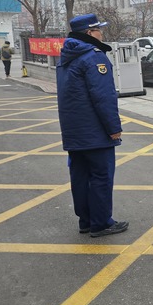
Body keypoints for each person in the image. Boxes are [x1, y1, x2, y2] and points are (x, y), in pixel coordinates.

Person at [56, 13, 128, 237]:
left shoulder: (66, 57)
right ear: (89, 33)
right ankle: (101, 223)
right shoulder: (93, 57)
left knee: (80, 177)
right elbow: (103, 97)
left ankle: (86, 221)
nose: (102, 33)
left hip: (74, 132)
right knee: (101, 176)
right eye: (99, 29)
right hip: (95, 132)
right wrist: (114, 129)